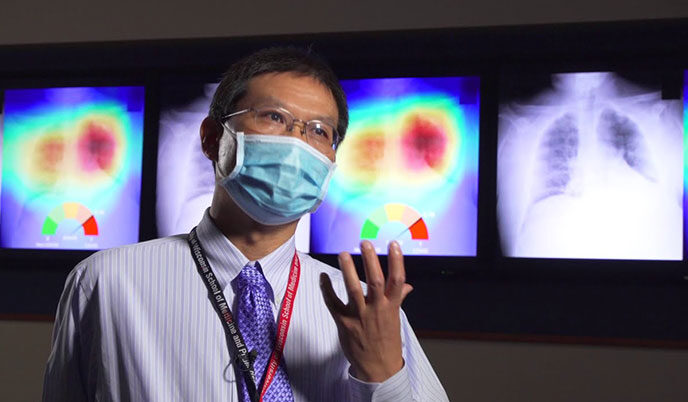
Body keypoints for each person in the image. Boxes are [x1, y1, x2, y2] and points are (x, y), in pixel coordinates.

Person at [43, 47, 449, 401]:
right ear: (211, 138)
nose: (296, 143)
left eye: (319, 131)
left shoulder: (365, 307)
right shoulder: (106, 282)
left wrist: (383, 375)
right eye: (274, 117)